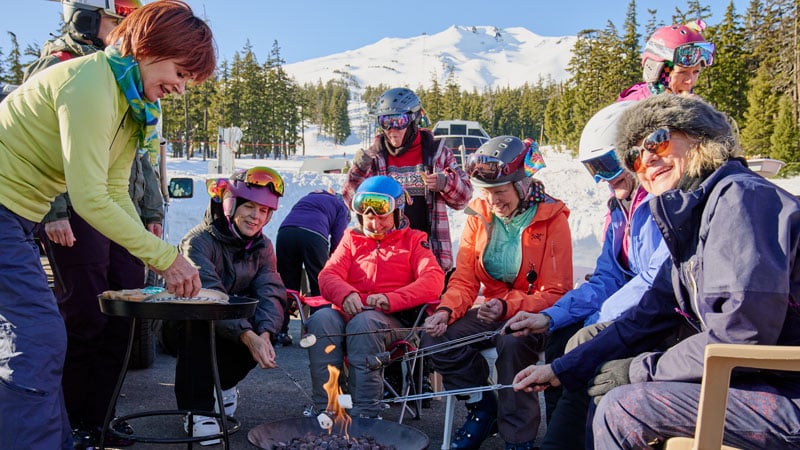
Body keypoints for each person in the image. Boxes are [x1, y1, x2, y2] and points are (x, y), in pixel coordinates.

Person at [513, 94, 800, 449]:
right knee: (604, 378)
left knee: (624, 409)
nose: (646, 158)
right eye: (634, 155)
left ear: (699, 137)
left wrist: (639, 369)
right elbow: (646, 317)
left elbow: (742, 335)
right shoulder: (694, 218)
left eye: (657, 140)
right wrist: (560, 369)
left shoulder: (741, 199)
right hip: (757, 380)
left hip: (786, 390)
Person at [0, 1, 212, 448]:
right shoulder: (92, 84)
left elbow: (116, 191)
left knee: (40, 337)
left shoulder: (126, 101)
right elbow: (89, 197)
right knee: (38, 338)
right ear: (150, 47)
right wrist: (168, 260)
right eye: (180, 72)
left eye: (189, 80)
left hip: (20, 218)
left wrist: (157, 255)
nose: (180, 87)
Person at [21, 1, 163, 447]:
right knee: (86, 315)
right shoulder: (63, 64)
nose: (124, 30)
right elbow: (45, 150)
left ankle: (101, 417)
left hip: (121, 208)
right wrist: (55, 211)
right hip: (77, 213)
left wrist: (152, 211)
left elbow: (141, 153)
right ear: (83, 16)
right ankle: (71, 421)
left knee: (125, 313)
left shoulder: (129, 76)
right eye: (116, 20)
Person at [503, 101, 669, 450]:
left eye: (609, 165)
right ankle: (565, 438)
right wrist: (548, 316)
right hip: (639, 316)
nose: (605, 179)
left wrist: (599, 320)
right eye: (596, 169)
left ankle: (565, 442)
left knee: (586, 345)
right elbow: (607, 278)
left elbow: (658, 278)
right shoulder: (621, 210)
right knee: (561, 333)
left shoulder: (660, 204)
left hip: (663, 320)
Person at [422, 136, 573, 450]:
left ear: (521, 185)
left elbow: (557, 292)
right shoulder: (480, 217)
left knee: (512, 341)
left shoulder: (552, 218)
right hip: (493, 310)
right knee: (436, 339)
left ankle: (519, 437)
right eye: (486, 193)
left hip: (532, 314)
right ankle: (483, 407)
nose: (492, 201)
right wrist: (446, 310)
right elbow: (464, 279)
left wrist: (506, 307)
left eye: (500, 192)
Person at [306, 175, 445, 419]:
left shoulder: (414, 241)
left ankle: (366, 412)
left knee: (364, 324)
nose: (375, 225)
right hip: (350, 314)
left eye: (382, 217)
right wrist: (345, 293)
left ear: (398, 214)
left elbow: (433, 281)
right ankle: (328, 407)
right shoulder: (352, 239)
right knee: (321, 320)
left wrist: (391, 298)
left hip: (395, 322)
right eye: (369, 218)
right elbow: (328, 276)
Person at [175, 167, 286, 444]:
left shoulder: (263, 246)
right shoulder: (197, 242)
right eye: (249, 206)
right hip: (187, 325)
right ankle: (196, 409)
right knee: (200, 318)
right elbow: (208, 293)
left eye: (263, 211)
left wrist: (264, 334)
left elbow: (271, 291)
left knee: (266, 318)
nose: (256, 216)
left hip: (233, 323)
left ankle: (224, 386)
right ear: (230, 205)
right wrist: (248, 336)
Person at [344, 87, 472, 272]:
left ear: (413, 120)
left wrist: (446, 183)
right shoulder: (373, 157)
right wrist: (358, 171)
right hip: (387, 260)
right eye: (385, 122)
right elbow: (352, 201)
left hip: (430, 257)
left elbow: (464, 198)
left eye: (398, 121)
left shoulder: (438, 153)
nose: (391, 129)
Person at [275, 189, 350, 346]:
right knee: (320, 286)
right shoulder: (341, 206)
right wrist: (333, 262)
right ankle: (317, 334)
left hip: (285, 233)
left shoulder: (308, 197)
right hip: (314, 236)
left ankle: (280, 332)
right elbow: (339, 239)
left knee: (286, 286)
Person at [617, 20, 714, 101]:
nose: (690, 81)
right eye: (682, 72)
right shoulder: (633, 105)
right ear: (657, 71)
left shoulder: (688, 104)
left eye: (696, 71)